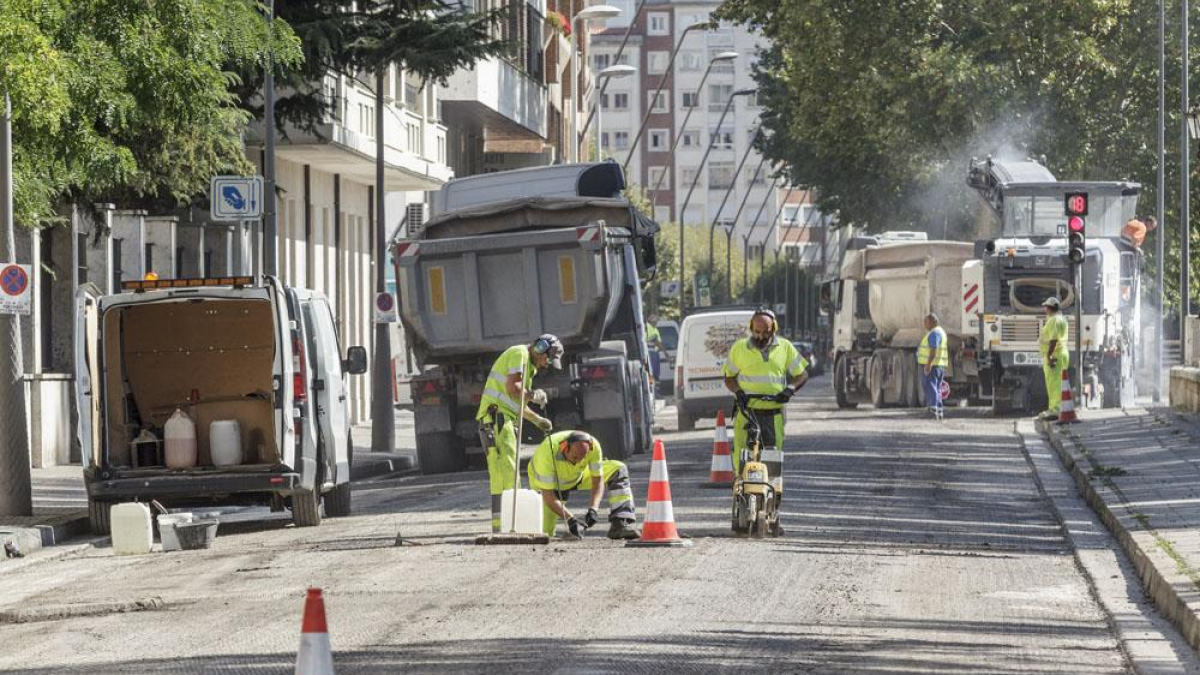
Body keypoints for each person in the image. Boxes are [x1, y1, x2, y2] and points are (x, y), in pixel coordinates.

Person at [476, 334, 562, 532]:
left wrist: (537, 420)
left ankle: (502, 525)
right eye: (547, 358)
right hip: (497, 419)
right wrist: (533, 394)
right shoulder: (519, 354)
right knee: (508, 471)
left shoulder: (528, 368)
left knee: (504, 474)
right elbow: (513, 388)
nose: (546, 364)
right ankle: (508, 525)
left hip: (501, 420)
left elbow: (517, 403)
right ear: (540, 348)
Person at [722, 308, 809, 479]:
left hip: (773, 415)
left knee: (772, 462)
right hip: (747, 413)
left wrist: (790, 390)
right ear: (751, 328)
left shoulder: (785, 348)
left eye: (765, 333)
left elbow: (802, 375)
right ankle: (741, 493)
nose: (760, 337)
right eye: (757, 332)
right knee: (743, 458)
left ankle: (770, 497)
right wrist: (738, 392)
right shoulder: (739, 348)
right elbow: (729, 377)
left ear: (774, 329)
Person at [527, 430, 640, 540]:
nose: (577, 462)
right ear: (564, 448)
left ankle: (620, 523)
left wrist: (593, 509)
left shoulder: (593, 446)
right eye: (575, 458)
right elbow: (548, 496)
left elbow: (597, 480)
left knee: (618, 469)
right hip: (550, 486)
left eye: (582, 458)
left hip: (577, 477)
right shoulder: (547, 453)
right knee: (545, 533)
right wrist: (570, 519)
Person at [1039, 297, 1070, 420]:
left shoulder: (1053, 320)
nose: (1044, 309)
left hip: (1055, 355)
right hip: (1062, 353)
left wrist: (1049, 355)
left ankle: (1055, 410)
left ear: (1049, 308)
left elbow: (1053, 339)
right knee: (1058, 382)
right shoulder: (1062, 319)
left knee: (1053, 383)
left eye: (1045, 307)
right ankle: (1056, 408)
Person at [919, 314, 949, 420]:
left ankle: (932, 410)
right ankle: (939, 411)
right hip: (939, 365)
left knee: (931, 387)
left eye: (926, 322)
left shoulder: (934, 333)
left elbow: (933, 350)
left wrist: (928, 364)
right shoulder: (941, 332)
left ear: (933, 321)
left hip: (933, 365)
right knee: (937, 388)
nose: (925, 324)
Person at [645, 313, 664, 384]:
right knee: (653, 374)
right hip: (651, 354)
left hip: (651, 353)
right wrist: (666, 354)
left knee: (652, 374)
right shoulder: (651, 330)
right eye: (654, 322)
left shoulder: (649, 329)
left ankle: (654, 390)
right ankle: (654, 390)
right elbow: (658, 343)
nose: (656, 324)